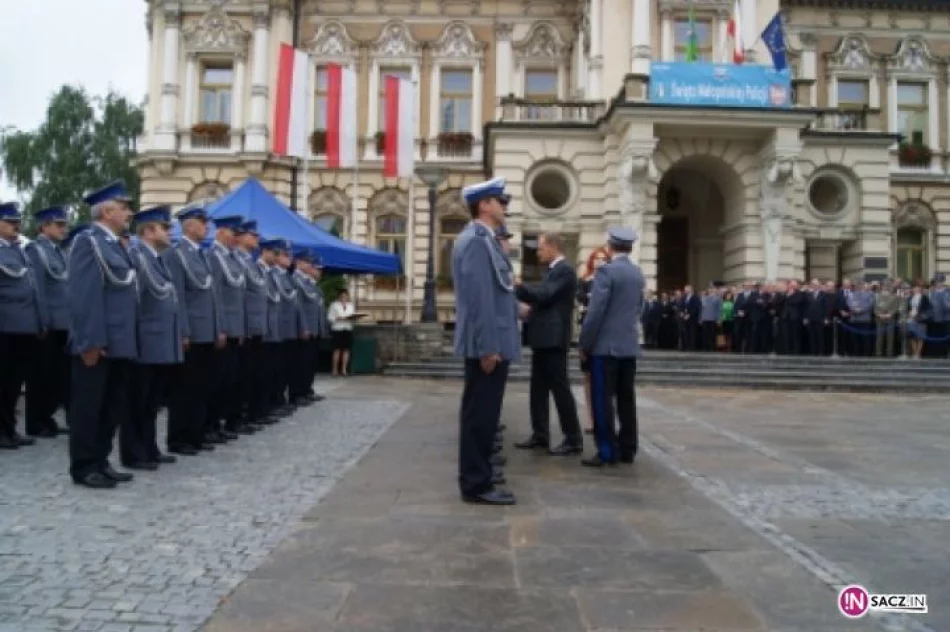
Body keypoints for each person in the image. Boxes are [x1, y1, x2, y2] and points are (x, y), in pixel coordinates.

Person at [452, 176, 520, 506]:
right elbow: (479, 299)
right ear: (484, 205)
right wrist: (488, 346)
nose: (504, 206)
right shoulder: (477, 241)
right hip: (488, 344)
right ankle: (476, 484)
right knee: (480, 416)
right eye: (499, 201)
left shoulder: (484, 240)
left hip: (493, 339)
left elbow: (496, 292)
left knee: (485, 415)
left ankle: (481, 476)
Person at [67, 181, 138, 488]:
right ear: (107, 212)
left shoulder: (113, 244)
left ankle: (101, 460)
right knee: (89, 407)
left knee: (111, 407)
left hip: (119, 341)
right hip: (99, 342)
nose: (129, 213)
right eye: (124, 207)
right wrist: (91, 341)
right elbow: (85, 296)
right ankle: (84, 466)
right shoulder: (88, 242)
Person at [121, 205, 182, 470]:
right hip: (145, 340)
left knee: (152, 401)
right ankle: (133, 453)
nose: (169, 232)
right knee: (138, 401)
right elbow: (133, 302)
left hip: (160, 340)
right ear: (148, 231)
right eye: (164, 228)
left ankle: (150, 448)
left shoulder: (156, 259)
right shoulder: (137, 257)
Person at [578, 226, 644, 468]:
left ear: (610, 246)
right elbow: (639, 308)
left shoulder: (606, 272)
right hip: (628, 345)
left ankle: (607, 450)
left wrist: (585, 342)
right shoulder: (637, 273)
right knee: (626, 399)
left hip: (605, 347)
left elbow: (596, 312)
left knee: (602, 399)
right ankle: (628, 448)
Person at [514, 232, 582, 456]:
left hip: (554, 340)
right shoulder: (553, 271)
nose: (538, 252)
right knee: (538, 390)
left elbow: (546, 294)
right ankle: (540, 434)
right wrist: (530, 309)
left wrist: (519, 286)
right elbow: (547, 301)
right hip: (544, 339)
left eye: (541, 248)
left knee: (560, 389)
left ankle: (573, 438)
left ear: (553, 247)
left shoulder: (565, 270)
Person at [163, 203, 222, 456]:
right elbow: (178, 297)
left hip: (206, 331)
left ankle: (196, 434)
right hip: (192, 333)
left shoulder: (202, 254)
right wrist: (183, 331)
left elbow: (212, 298)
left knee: (201, 387)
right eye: (202, 222)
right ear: (188, 226)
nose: (206, 227)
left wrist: (217, 329)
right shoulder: (177, 254)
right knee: (184, 389)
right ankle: (179, 438)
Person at [23, 205, 71, 438]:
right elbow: (38, 289)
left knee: (56, 376)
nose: (64, 229)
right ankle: (36, 421)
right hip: (48, 323)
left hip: (63, 323)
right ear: (44, 227)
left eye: (64, 225)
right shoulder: (36, 250)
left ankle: (47, 417)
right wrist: (42, 321)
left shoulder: (59, 251)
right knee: (40, 375)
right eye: (59, 225)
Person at [206, 214, 254, 439]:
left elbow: (240, 297)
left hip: (235, 329)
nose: (236, 238)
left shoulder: (232, 258)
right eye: (233, 233)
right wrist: (220, 328)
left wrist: (241, 328)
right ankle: (212, 425)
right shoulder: (214, 257)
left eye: (238, 234)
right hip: (224, 329)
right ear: (221, 232)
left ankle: (222, 423)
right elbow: (215, 296)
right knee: (215, 381)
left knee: (230, 380)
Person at [0, 202, 42, 450]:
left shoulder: (20, 250)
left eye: (17, 222)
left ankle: (9, 429)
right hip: (5, 326)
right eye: (10, 222)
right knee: (3, 381)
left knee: (14, 383)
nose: (16, 226)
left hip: (23, 326)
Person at [234, 220, 274, 427]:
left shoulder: (250, 262)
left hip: (256, 326)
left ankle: (253, 413)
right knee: (242, 376)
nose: (257, 239)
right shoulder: (238, 260)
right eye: (253, 235)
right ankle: (241, 416)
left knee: (255, 374)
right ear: (240, 237)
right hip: (246, 327)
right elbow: (239, 297)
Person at [576, 247, 608, 434]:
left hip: (605, 334)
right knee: (587, 376)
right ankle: (590, 417)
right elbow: (580, 300)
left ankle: (603, 416)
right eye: (596, 258)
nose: (599, 261)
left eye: (603, 258)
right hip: (587, 332)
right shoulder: (584, 281)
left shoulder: (609, 280)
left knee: (604, 378)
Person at [290, 251, 328, 403]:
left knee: (311, 363)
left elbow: (318, 309)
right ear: (298, 262)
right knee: (301, 363)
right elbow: (299, 308)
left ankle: (307, 390)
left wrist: (321, 328)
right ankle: (297, 393)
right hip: (305, 329)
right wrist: (303, 327)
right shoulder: (296, 280)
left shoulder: (311, 285)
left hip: (314, 329)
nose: (318, 271)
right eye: (314, 267)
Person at [258, 239, 288, 417]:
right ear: (264, 251)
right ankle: (262, 408)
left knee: (273, 370)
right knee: (263, 371)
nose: (277, 257)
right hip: (263, 328)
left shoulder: (271, 274)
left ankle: (270, 405)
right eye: (275, 253)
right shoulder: (260, 270)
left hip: (274, 328)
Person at [328, 289, 355, 376]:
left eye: (345, 296)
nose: (344, 297)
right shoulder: (334, 305)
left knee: (346, 350)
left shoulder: (350, 305)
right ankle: (335, 369)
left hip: (347, 328)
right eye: (342, 296)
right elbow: (330, 317)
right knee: (337, 350)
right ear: (339, 296)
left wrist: (352, 318)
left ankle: (344, 369)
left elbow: (353, 316)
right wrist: (338, 318)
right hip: (337, 329)